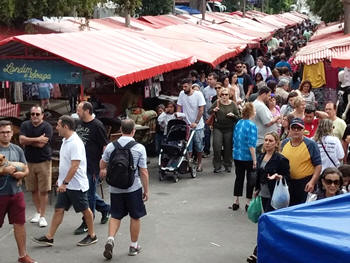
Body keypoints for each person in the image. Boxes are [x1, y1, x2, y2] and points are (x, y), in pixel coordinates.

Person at [33, 115, 97, 247]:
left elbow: (75, 166)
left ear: (66, 127)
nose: (56, 128)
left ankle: (92, 235)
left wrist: (65, 183)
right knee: (59, 209)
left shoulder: (75, 143)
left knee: (85, 210)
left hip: (76, 185)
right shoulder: (66, 140)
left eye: (58, 125)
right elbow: (66, 164)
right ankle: (49, 237)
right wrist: (61, 181)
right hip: (66, 184)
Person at [100, 119, 149, 259]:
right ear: (133, 131)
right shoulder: (139, 148)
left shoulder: (111, 146)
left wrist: (104, 169)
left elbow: (102, 164)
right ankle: (133, 246)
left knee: (115, 215)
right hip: (133, 188)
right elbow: (144, 172)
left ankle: (110, 239)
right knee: (135, 216)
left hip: (115, 188)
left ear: (121, 130)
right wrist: (146, 190)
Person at [247, 132, 290, 263]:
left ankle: (257, 252)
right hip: (263, 194)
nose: (267, 143)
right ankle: (274, 248)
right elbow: (259, 174)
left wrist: (278, 176)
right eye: (266, 140)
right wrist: (257, 189)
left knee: (265, 223)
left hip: (275, 195)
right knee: (267, 223)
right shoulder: (261, 156)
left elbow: (288, 176)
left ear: (276, 143)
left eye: (271, 141)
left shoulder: (281, 159)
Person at [0, 120, 36, 263]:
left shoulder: (18, 149)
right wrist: (3, 171)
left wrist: (23, 174)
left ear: (12, 132)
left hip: (16, 193)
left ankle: (23, 256)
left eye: (8, 132)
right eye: (2, 132)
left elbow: (26, 168)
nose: (5, 135)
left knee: (20, 224)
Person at [74, 101, 110, 235]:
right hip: (79, 165)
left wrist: (103, 166)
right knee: (85, 192)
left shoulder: (97, 125)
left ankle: (87, 221)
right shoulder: (78, 124)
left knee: (88, 195)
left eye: (79, 109)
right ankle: (105, 208)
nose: (77, 112)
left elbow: (105, 146)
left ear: (87, 111)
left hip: (92, 166)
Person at [19, 105, 53, 228]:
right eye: (32, 114)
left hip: (43, 161)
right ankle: (38, 212)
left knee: (43, 190)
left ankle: (43, 216)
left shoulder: (47, 127)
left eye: (37, 114)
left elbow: (41, 144)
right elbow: (21, 140)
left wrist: (29, 141)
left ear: (42, 115)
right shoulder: (25, 125)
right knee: (33, 189)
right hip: (29, 161)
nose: (34, 116)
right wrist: (37, 139)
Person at [281, 118, 322, 205]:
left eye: (299, 128)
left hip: (305, 183)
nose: (296, 130)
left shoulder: (311, 144)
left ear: (303, 130)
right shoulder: (284, 143)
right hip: (288, 183)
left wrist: (312, 182)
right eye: (294, 128)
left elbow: (318, 165)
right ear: (289, 130)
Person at [231, 103, 257, 211]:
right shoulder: (252, 125)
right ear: (251, 112)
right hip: (248, 157)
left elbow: (235, 139)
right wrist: (255, 159)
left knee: (239, 177)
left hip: (237, 155)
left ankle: (236, 201)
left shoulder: (239, 123)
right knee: (250, 179)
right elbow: (251, 145)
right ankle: (248, 202)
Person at [177, 78, 206, 172]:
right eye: (183, 87)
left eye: (185, 86)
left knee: (198, 145)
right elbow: (179, 106)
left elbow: (201, 109)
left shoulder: (198, 94)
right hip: (187, 124)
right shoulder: (182, 94)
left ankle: (199, 163)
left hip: (198, 125)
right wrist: (179, 115)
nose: (184, 88)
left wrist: (196, 122)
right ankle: (188, 163)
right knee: (187, 146)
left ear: (190, 85)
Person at [208, 87, 239, 173]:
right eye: (222, 94)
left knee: (228, 147)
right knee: (216, 147)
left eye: (226, 94)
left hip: (229, 128)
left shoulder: (233, 104)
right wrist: (214, 110)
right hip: (218, 127)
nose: (224, 96)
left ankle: (228, 165)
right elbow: (208, 111)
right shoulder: (217, 102)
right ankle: (217, 166)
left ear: (229, 95)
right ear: (220, 95)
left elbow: (238, 117)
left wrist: (233, 115)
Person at [252, 86, 279, 153]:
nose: (269, 98)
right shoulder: (260, 106)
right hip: (262, 141)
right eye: (269, 95)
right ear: (264, 94)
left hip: (262, 139)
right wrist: (277, 118)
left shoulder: (258, 104)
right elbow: (267, 123)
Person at [202, 72, 218, 157]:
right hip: (207, 115)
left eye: (211, 79)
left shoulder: (218, 89)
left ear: (215, 80)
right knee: (207, 134)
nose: (209, 81)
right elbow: (204, 103)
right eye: (208, 79)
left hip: (217, 115)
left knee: (217, 134)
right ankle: (206, 150)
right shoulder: (205, 90)